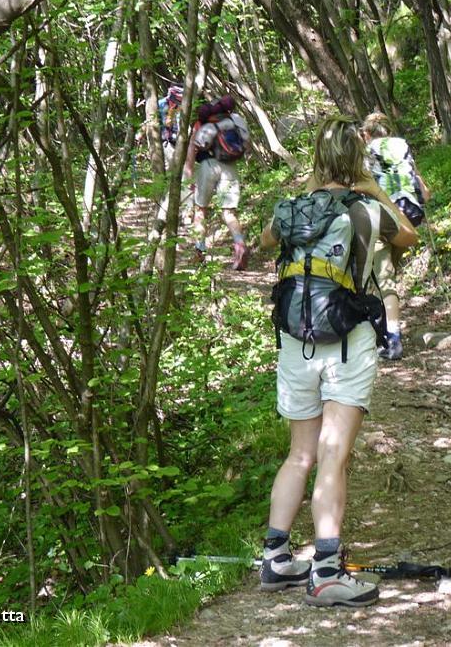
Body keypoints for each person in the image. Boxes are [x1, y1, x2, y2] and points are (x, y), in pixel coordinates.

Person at [258, 117, 418, 607]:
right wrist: (373, 189)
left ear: (317, 159)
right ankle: (327, 571)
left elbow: (266, 241)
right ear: (357, 160)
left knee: (300, 455)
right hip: (347, 342)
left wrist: (311, 187)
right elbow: (408, 235)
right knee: (334, 455)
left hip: (294, 343)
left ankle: (276, 559)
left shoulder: (290, 210)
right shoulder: (367, 211)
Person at [360, 112, 431, 360]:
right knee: (387, 276)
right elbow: (425, 190)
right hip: (410, 214)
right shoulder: (402, 145)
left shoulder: (367, 151)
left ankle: (391, 341)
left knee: (383, 278)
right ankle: (385, 329)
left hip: (384, 216)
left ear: (367, 134)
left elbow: (363, 186)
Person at [183, 94, 250, 268]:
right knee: (229, 213)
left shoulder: (202, 125)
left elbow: (193, 150)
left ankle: (200, 251)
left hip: (208, 165)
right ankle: (240, 244)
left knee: (201, 210)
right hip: (230, 167)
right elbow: (246, 145)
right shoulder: (235, 121)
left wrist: (189, 175)